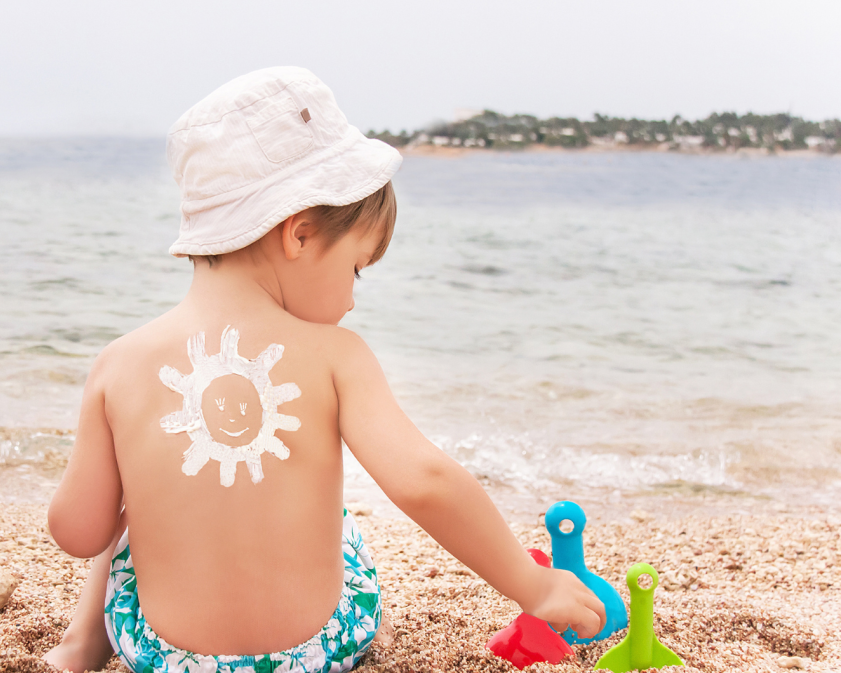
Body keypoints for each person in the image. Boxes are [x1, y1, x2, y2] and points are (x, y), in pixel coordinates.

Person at [42, 67, 605, 673]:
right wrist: (532, 585)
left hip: (163, 656)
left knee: (130, 524)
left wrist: (141, 490)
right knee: (340, 528)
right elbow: (423, 481)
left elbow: (78, 532)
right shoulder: (337, 354)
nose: (353, 298)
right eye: (357, 269)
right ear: (301, 235)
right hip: (312, 651)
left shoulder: (118, 363)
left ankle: (79, 650)